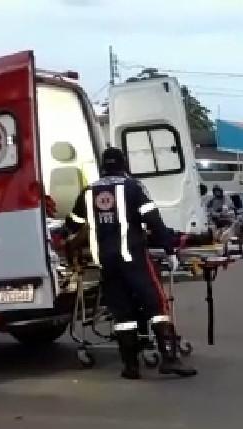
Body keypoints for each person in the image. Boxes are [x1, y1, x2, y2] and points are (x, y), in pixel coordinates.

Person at [65, 147, 197, 380]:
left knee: (122, 313)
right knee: (156, 306)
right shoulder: (132, 188)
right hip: (134, 259)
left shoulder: (87, 193)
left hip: (106, 263)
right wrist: (169, 246)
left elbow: (72, 225)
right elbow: (152, 219)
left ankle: (130, 366)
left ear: (103, 167)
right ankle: (169, 359)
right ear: (124, 165)